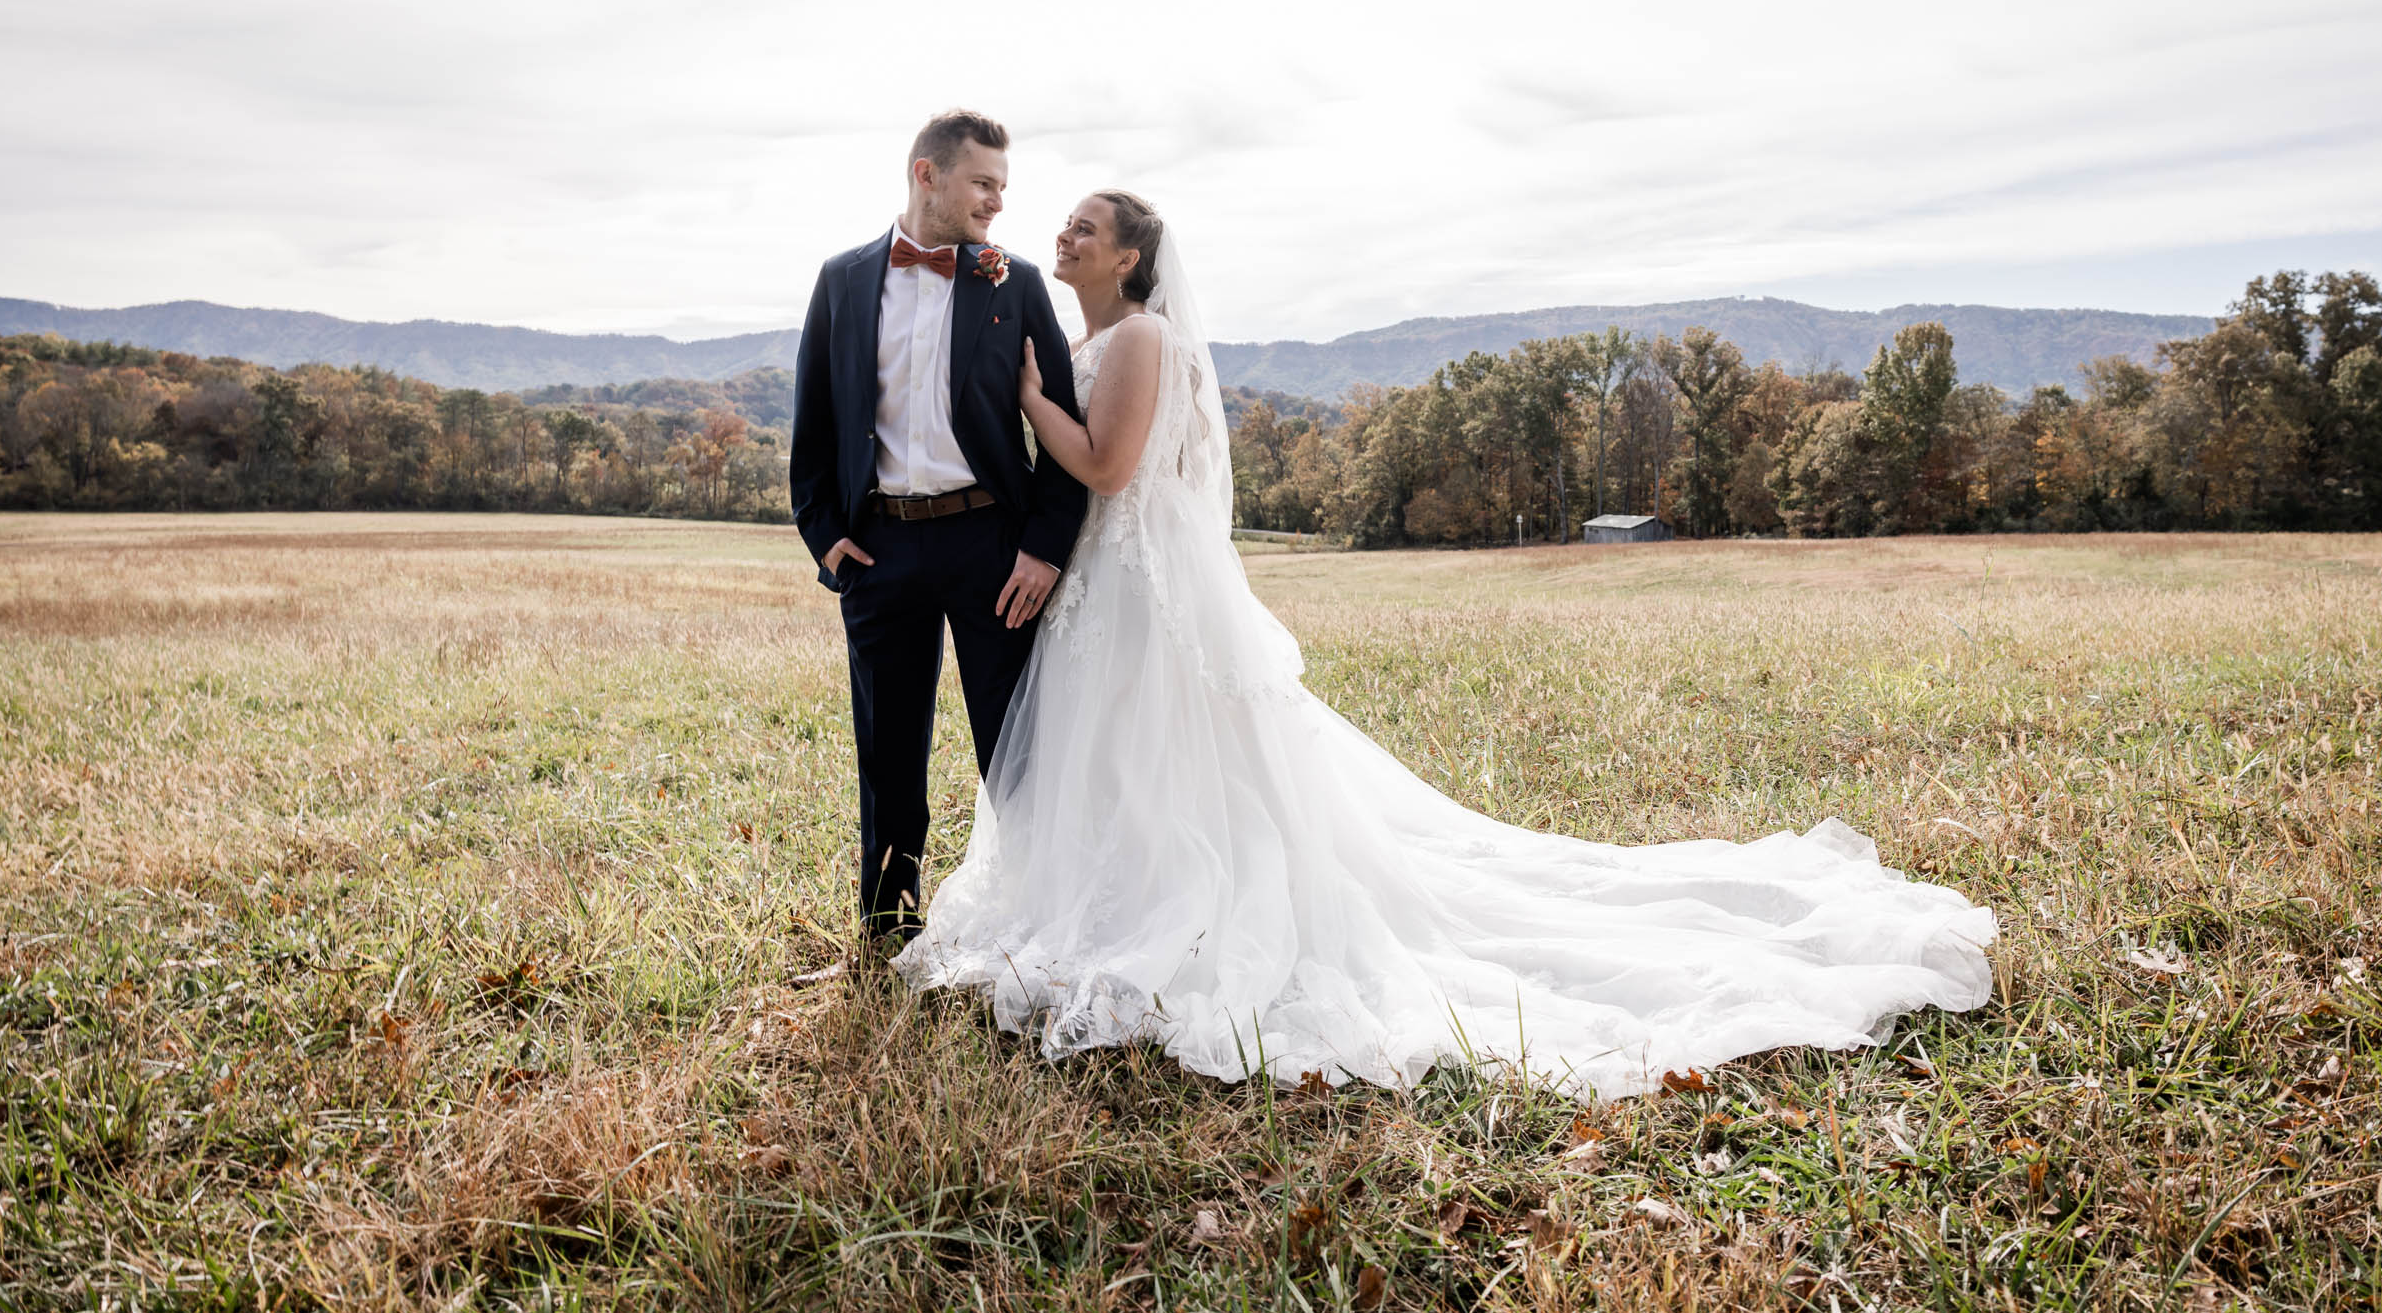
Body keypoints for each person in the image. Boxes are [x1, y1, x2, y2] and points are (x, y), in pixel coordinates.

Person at [897, 191, 1998, 1099]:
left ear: (1130, 256)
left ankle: (1173, 919)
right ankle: (1116, 901)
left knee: (1172, 750)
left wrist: (1034, 397)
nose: (1066, 233)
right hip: (1109, 578)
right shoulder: (1096, 338)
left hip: (1147, 583)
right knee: (1125, 757)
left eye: (1087, 226)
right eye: (1068, 223)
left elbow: (1108, 466)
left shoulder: (1138, 336)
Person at [788, 110, 1088, 945]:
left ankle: (1043, 929)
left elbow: (1062, 429)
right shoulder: (841, 280)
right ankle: (888, 928)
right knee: (887, 754)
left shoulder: (1015, 284)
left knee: (1015, 750)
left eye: (1002, 186)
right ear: (928, 174)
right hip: (878, 549)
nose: (997, 201)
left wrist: (1043, 548)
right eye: (982, 183)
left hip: (992, 546)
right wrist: (826, 537)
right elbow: (813, 427)